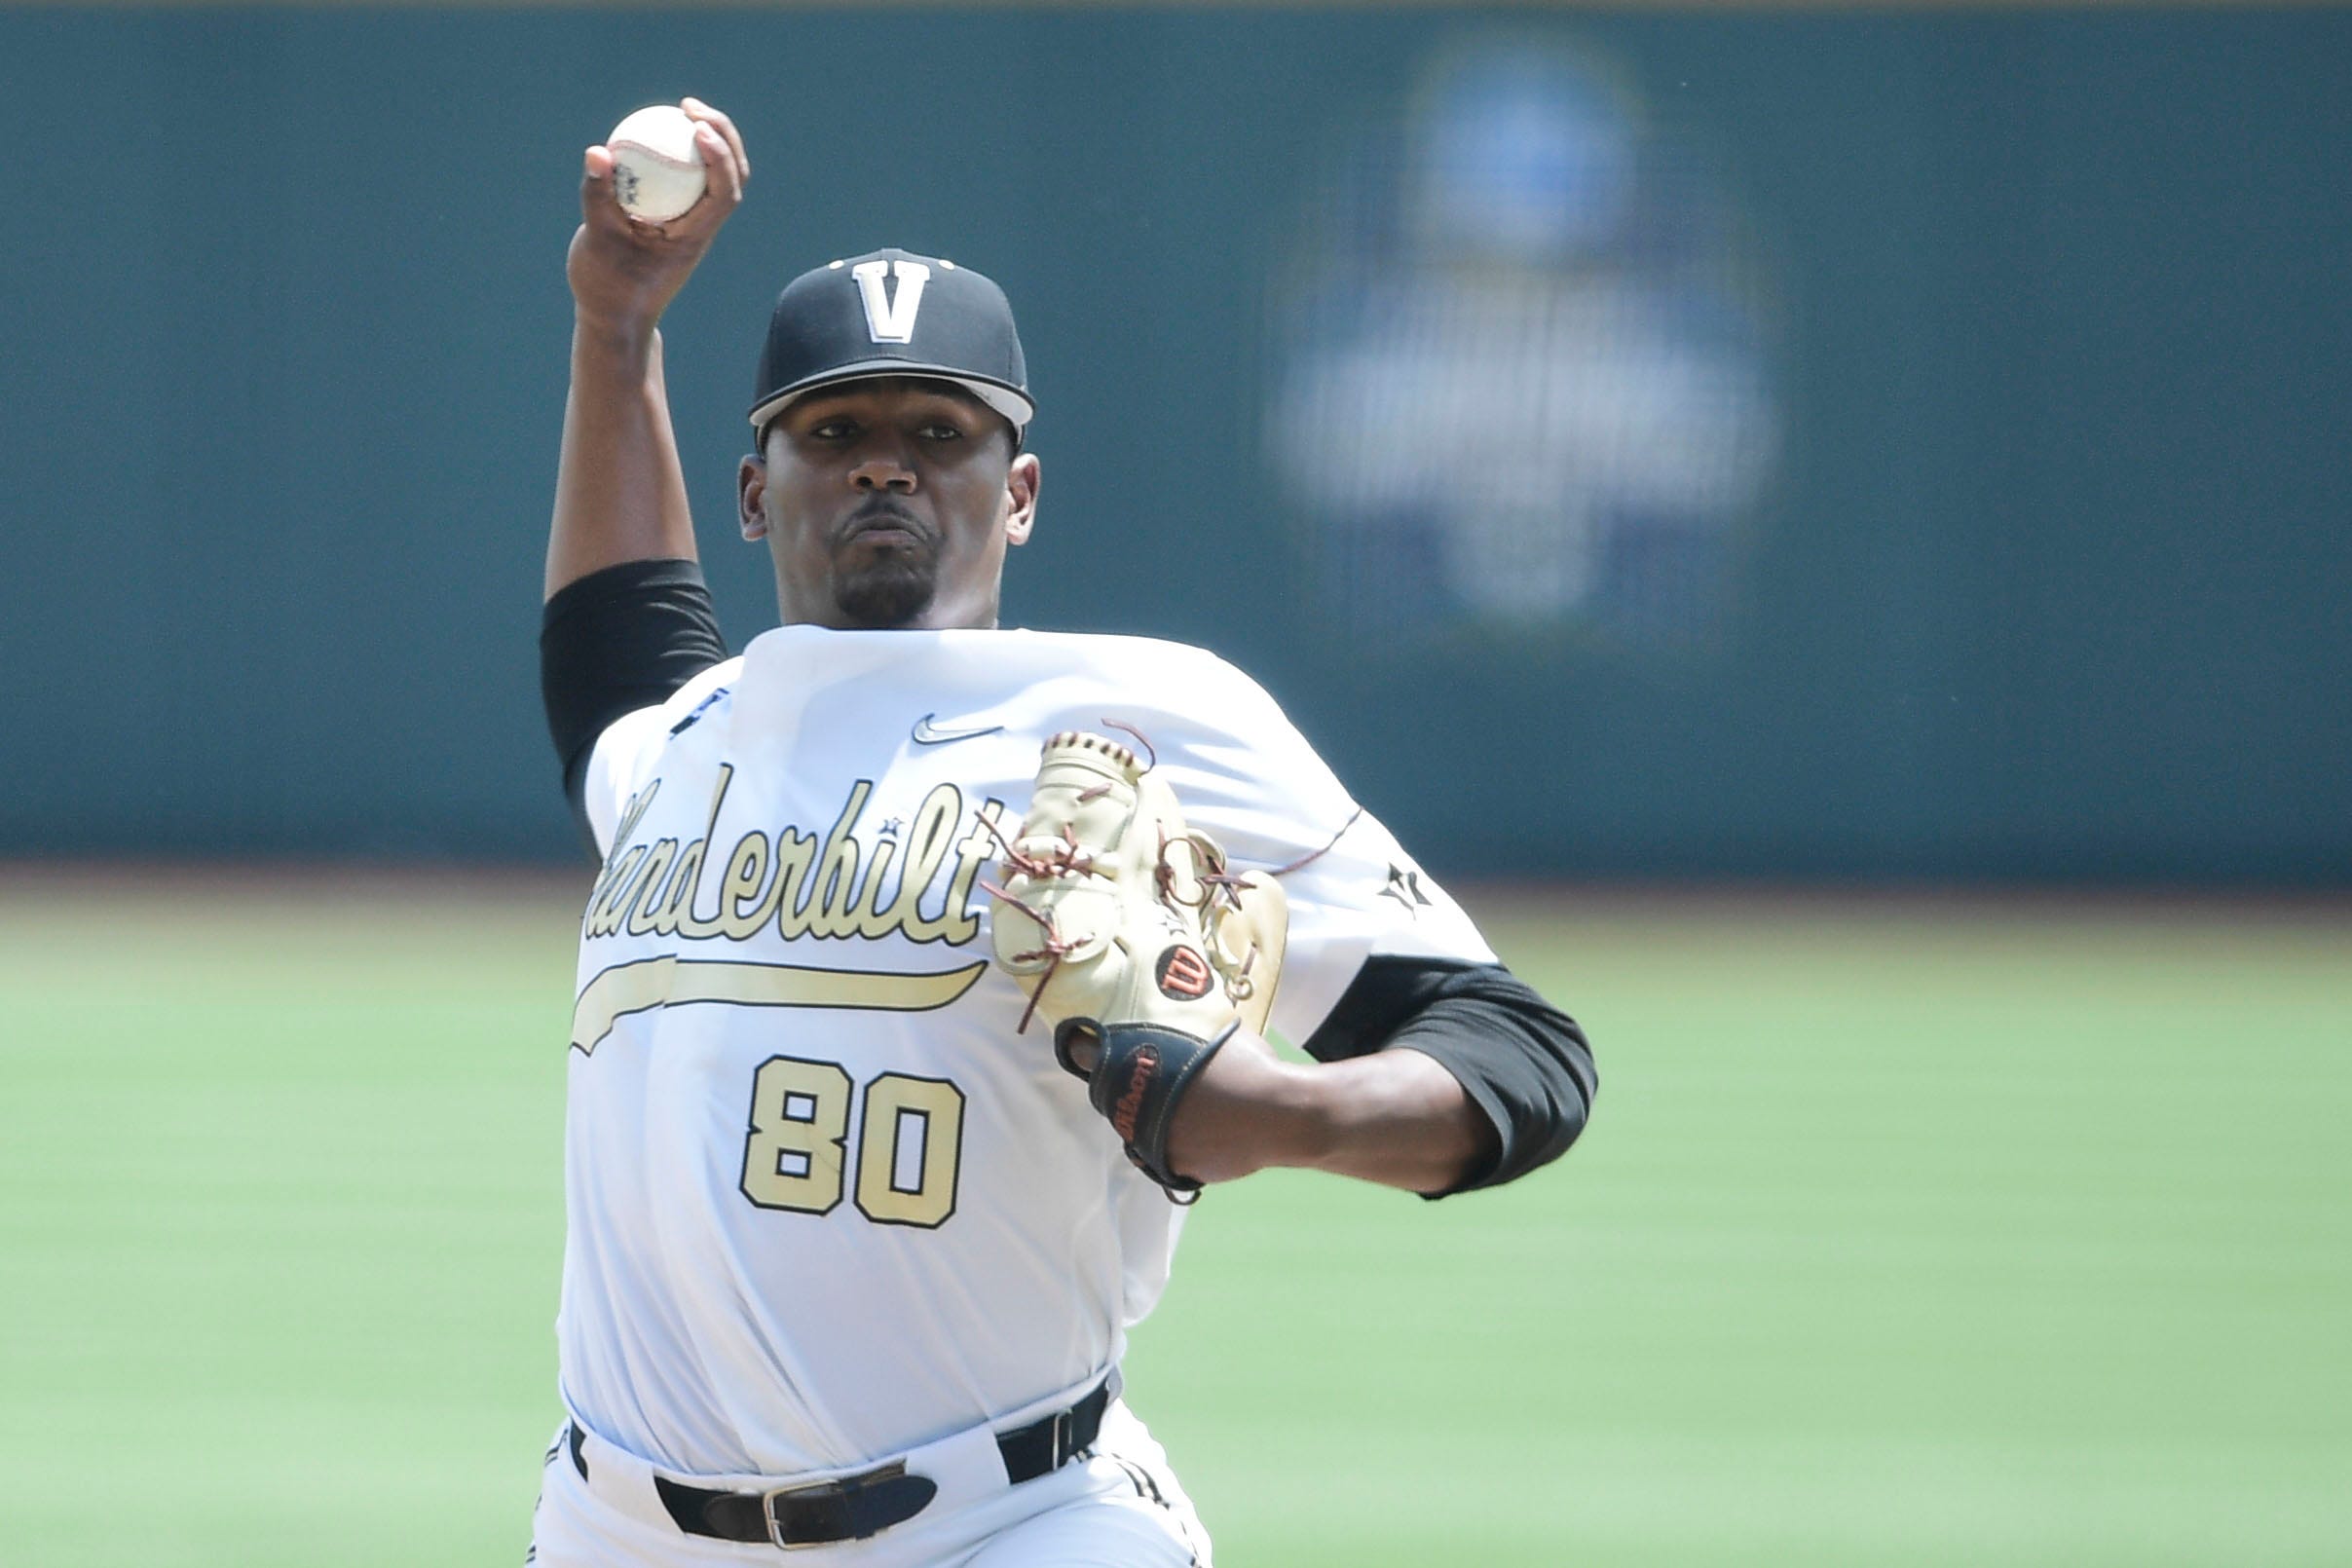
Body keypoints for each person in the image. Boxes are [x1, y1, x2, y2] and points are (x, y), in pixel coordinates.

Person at [531, 97, 1597, 1567]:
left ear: (1017, 492)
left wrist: (1282, 1114)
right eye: (834, 431)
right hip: (620, 1529)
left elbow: (1520, 1050)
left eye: (941, 433)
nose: (886, 465)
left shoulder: (1140, 712)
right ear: (752, 491)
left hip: (1011, 1520)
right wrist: (616, 328)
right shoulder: (685, 740)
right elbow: (614, 653)